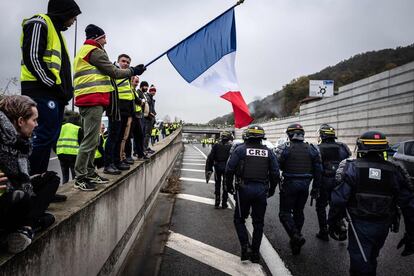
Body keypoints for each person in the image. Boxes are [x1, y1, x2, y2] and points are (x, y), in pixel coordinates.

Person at [328, 131, 414, 276]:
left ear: (361, 147)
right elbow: (409, 205)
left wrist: (332, 222)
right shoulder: (395, 170)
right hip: (383, 225)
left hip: (360, 224)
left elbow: (338, 200)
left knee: (360, 264)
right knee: (371, 257)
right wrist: (411, 234)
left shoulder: (351, 168)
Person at [20, 0, 81, 202]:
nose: (73, 21)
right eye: (72, 16)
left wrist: (66, 91)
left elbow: (60, 67)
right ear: (63, 12)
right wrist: (54, 86)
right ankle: (32, 188)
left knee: (48, 138)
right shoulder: (39, 23)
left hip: (53, 94)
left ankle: (42, 187)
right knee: (42, 137)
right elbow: (32, 58)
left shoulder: (58, 34)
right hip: (41, 91)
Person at [73, 24, 146, 189]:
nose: (106, 41)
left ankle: (90, 173)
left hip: (89, 98)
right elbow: (114, 72)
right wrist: (133, 70)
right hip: (92, 98)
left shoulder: (85, 50)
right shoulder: (95, 51)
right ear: (98, 37)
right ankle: (81, 177)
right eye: (104, 37)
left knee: (92, 139)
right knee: (90, 140)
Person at [0, 95, 59, 253]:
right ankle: (31, 224)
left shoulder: (22, 144)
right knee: (22, 198)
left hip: (14, 190)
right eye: (34, 120)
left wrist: (28, 180)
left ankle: (26, 226)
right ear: (20, 121)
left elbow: (17, 177)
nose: (37, 125)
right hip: (7, 199)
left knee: (51, 179)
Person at [226, 125, 280, 262]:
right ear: (262, 137)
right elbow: (275, 173)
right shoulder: (268, 152)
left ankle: (245, 246)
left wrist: (228, 187)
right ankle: (255, 253)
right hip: (261, 190)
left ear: (247, 136)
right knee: (258, 223)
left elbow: (229, 169)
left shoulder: (240, 150)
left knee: (239, 219)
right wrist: (272, 189)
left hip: (243, 189)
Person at [275, 123, 322, 255]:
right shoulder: (312, 148)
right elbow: (318, 170)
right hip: (305, 185)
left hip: (289, 184)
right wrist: (316, 188)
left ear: (289, 135)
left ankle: (296, 236)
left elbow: (275, 167)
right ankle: (296, 243)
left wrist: (274, 183)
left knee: (284, 213)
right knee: (298, 212)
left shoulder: (284, 147)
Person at [315, 124, 351, 241]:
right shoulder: (342, 147)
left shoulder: (317, 148)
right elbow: (347, 159)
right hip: (339, 181)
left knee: (321, 206)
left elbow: (316, 167)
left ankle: (323, 231)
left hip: (324, 180)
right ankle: (341, 227)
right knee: (336, 204)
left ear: (322, 135)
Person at [206, 131, 233, 208]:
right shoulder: (231, 146)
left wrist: (209, 168)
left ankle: (217, 202)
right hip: (227, 168)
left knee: (217, 184)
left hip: (217, 167)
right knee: (225, 185)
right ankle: (224, 203)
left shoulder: (216, 145)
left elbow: (210, 157)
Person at [56, 113, 83, 184]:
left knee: (65, 176)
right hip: (73, 155)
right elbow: (81, 144)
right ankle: (74, 189)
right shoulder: (77, 128)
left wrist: (57, 152)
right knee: (74, 176)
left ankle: (64, 191)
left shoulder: (60, 127)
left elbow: (54, 141)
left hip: (61, 154)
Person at [129, 78, 148, 160]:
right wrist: (141, 101)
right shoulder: (133, 90)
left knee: (139, 135)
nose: (137, 83)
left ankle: (140, 153)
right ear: (131, 81)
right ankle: (132, 154)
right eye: (136, 81)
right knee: (129, 137)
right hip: (133, 115)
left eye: (138, 82)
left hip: (137, 115)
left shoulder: (134, 91)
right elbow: (136, 101)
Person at [143, 85, 157, 154]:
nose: (153, 92)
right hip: (148, 118)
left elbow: (151, 108)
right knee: (146, 134)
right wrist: (150, 113)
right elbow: (147, 107)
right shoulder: (148, 97)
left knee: (148, 134)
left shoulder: (151, 98)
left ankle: (146, 147)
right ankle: (144, 148)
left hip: (150, 118)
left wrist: (154, 113)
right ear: (149, 91)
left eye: (154, 91)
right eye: (152, 90)